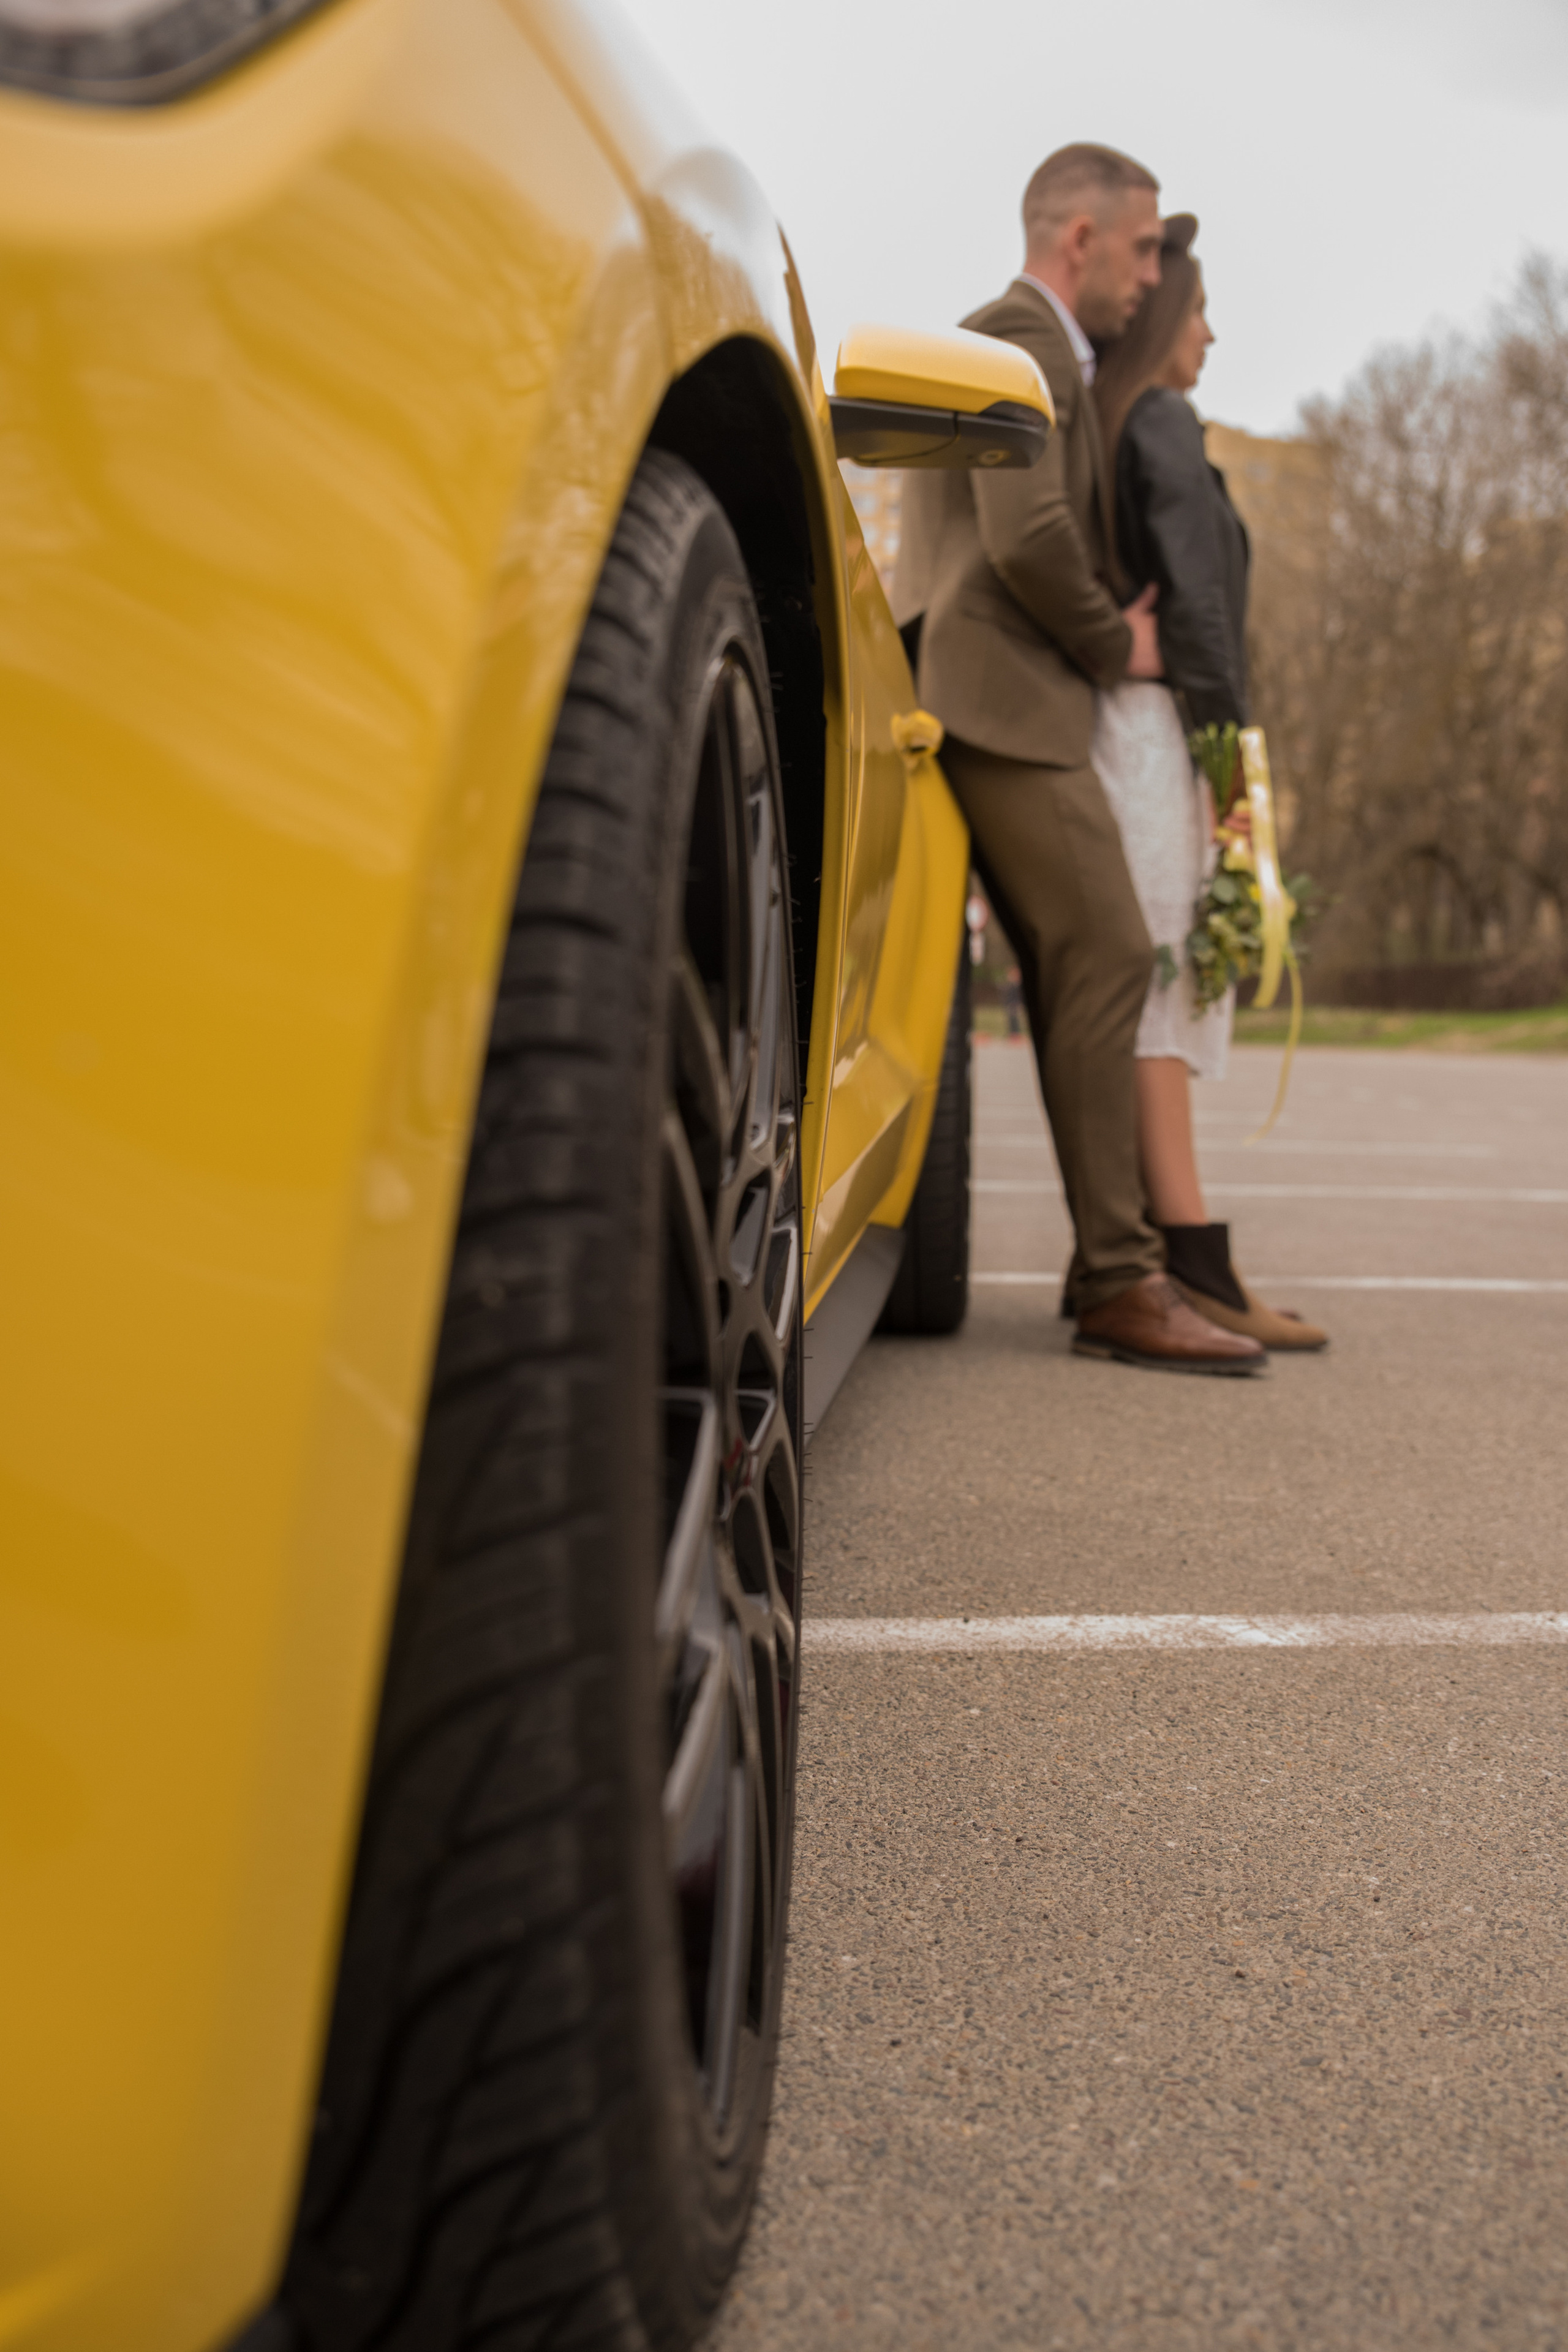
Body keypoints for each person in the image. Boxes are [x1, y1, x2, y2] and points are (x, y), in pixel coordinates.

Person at [893, 144, 1263, 1373]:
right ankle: (1119, 1277)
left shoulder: (1030, 348)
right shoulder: (1020, 340)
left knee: (1080, 970)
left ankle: (1111, 1268)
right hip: (1002, 699)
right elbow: (1025, 528)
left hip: (998, 695)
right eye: (1145, 248)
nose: (1151, 274)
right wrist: (1120, 647)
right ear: (1078, 241)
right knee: (1108, 949)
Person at [1091, 215, 1327, 1351]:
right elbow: (1196, 602)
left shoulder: (1124, 422)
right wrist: (1232, 775)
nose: (1213, 335)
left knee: (1162, 979)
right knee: (1167, 985)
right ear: (1166, 320)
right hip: (1164, 735)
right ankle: (1188, 1262)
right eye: (1199, 315)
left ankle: (1148, 1255)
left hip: (1141, 727)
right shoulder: (1165, 421)